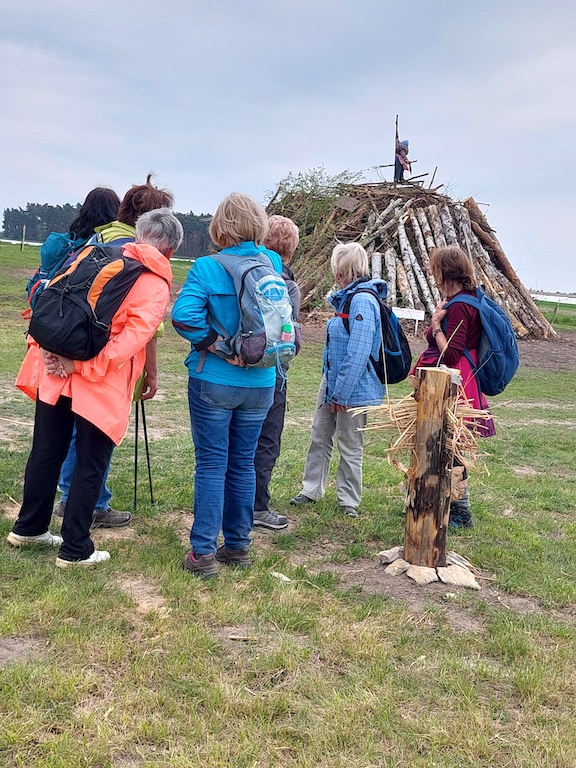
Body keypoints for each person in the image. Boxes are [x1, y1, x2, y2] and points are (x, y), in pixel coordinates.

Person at [7, 209, 183, 567]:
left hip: (55, 373)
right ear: (171, 251)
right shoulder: (154, 281)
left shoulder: (96, 253)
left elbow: (50, 301)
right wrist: (85, 365)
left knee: (46, 451)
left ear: (138, 234)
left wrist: (52, 354)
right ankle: (75, 548)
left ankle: (29, 527)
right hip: (99, 385)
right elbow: (131, 341)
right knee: (90, 463)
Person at [55, 175, 175, 528]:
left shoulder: (98, 240)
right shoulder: (138, 255)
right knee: (99, 430)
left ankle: (68, 495)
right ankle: (92, 504)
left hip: (73, 346)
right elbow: (147, 326)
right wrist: (150, 372)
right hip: (107, 358)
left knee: (77, 429)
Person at [172, 193, 280, 579]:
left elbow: (183, 317)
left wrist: (217, 346)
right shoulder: (273, 264)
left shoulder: (206, 267)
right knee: (243, 463)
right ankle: (238, 545)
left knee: (212, 463)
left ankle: (202, 553)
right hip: (263, 380)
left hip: (214, 380)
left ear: (221, 227)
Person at [290, 242, 386, 517]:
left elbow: (358, 352)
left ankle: (348, 500)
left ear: (343, 269)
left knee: (350, 443)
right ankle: (311, 489)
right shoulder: (348, 297)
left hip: (354, 387)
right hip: (332, 382)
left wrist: (341, 395)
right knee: (319, 435)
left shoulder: (363, 301)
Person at [411, 245, 496, 528]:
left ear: (443, 272)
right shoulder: (461, 299)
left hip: (454, 380)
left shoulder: (460, 305)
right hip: (453, 377)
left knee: (452, 445)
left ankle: (460, 509)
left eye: (435, 269)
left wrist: (436, 326)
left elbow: (451, 354)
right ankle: (431, 502)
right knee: (439, 441)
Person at [253, 215, 301, 530]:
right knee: (267, 438)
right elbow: (291, 339)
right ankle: (257, 506)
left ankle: (228, 501)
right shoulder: (288, 285)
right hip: (273, 373)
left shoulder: (247, 273)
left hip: (239, 364)